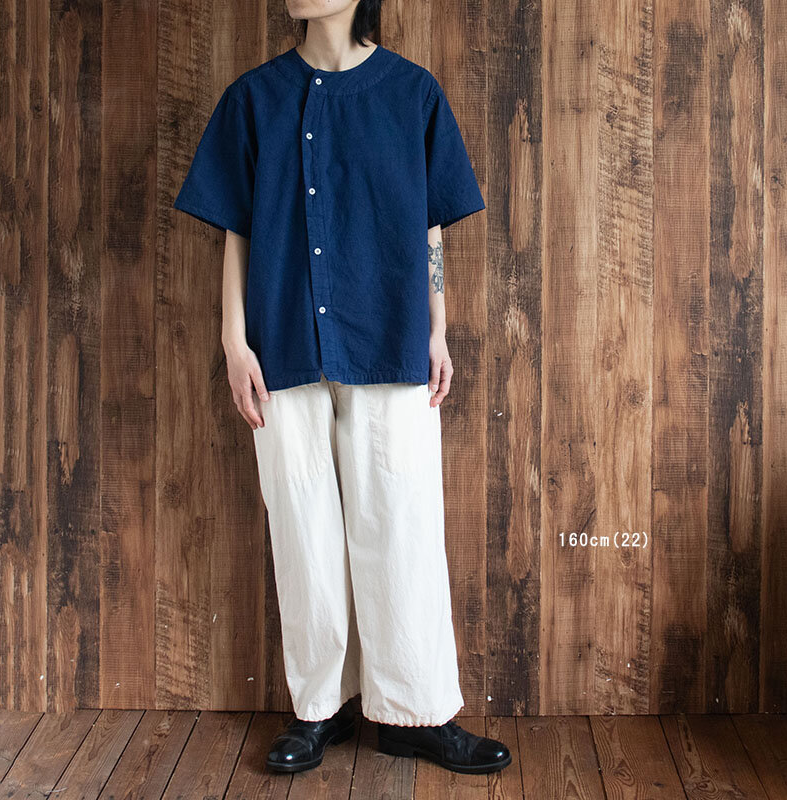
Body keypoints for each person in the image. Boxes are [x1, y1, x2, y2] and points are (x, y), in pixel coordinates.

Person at [172, 0, 512, 777]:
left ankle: (416, 712)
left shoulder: (412, 93)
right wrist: (233, 339)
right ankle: (320, 707)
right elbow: (237, 229)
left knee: (402, 522)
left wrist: (438, 326)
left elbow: (429, 223)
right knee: (303, 531)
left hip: (389, 339)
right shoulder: (253, 99)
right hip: (282, 343)